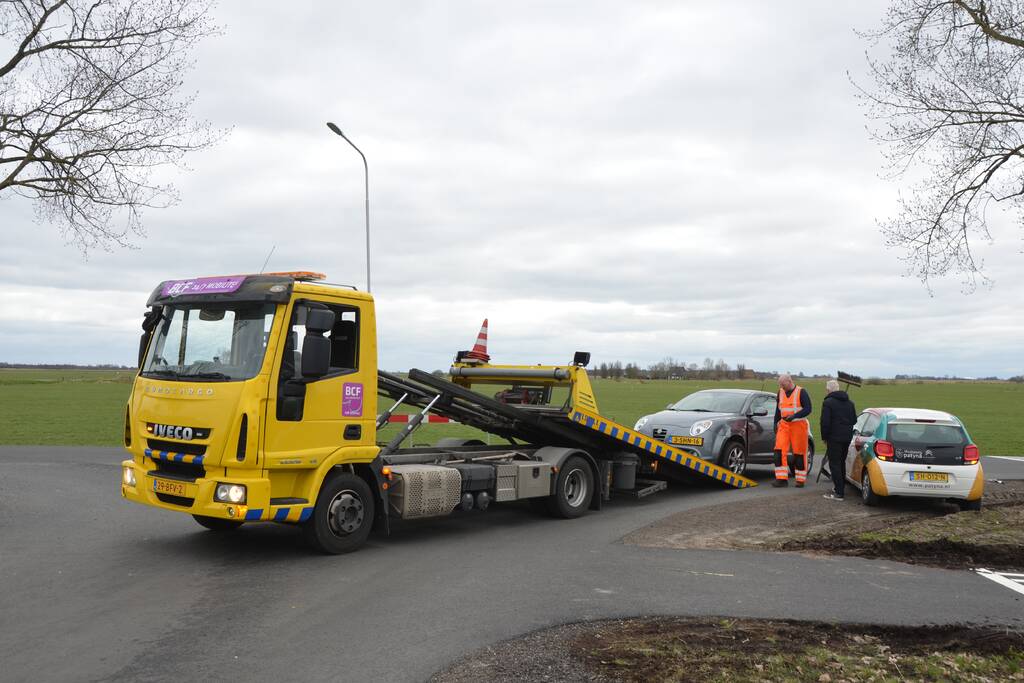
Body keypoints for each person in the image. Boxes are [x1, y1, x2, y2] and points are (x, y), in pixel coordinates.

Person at [772, 373, 812, 488]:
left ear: (789, 381)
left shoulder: (801, 392)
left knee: (799, 453)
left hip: (798, 425)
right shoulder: (780, 392)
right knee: (779, 451)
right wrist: (775, 423)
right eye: (780, 385)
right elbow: (778, 410)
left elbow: (808, 409)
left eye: (783, 384)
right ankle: (781, 479)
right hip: (784, 425)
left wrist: (794, 416)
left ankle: (800, 480)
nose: (781, 387)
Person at [820, 379, 857, 501]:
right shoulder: (850, 403)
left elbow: (825, 423)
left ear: (828, 390)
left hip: (834, 438)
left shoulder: (828, 403)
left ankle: (839, 493)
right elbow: (854, 420)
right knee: (841, 462)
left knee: (834, 464)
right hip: (847, 437)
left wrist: (824, 437)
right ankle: (839, 487)